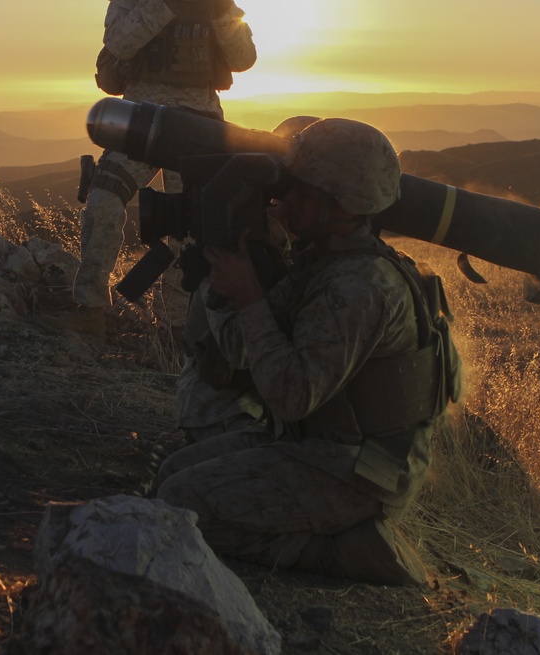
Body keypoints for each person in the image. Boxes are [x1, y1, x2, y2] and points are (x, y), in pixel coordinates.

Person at [156, 118, 461, 586]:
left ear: (340, 204)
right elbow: (240, 350)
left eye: (300, 190)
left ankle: (344, 550)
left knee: (181, 503)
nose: (283, 200)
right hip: (320, 443)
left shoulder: (358, 286)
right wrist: (230, 279)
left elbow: (292, 396)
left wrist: (251, 297)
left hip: (360, 472)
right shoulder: (323, 257)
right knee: (170, 475)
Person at [73, 0, 257, 331]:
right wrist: (167, 6)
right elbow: (118, 45)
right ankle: (89, 310)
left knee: (189, 228)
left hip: (199, 125)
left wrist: (217, 12)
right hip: (141, 118)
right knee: (103, 200)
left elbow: (243, 59)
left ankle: (176, 328)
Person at [174, 116, 319, 444]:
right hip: (225, 411)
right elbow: (238, 351)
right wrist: (246, 287)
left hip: (275, 406)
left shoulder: (297, 248)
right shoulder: (236, 242)